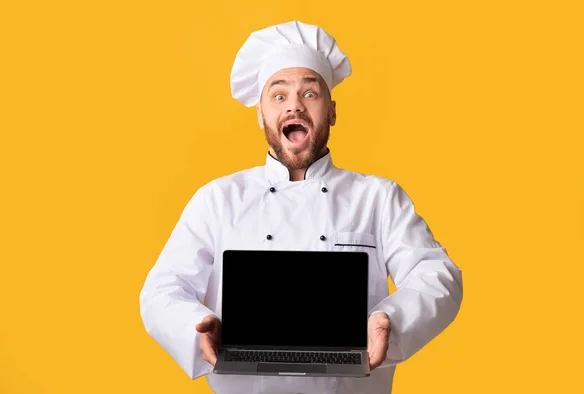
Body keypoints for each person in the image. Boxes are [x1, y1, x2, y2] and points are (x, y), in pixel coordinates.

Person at [139, 20, 463, 394]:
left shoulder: (378, 197)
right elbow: (162, 291)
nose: (294, 104)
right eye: (278, 96)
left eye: (310, 93)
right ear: (261, 115)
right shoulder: (216, 200)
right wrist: (198, 326)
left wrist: (389, 319)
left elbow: (438, 274)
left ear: (333, 112)